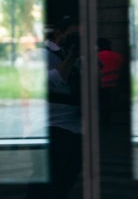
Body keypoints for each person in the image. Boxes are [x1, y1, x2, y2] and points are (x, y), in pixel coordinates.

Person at [27, 16, 83, 199]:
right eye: (73, 35)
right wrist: (72, 57)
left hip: (76, 127)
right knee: (46, 179)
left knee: (67, 177)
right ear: (59, 34)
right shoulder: (41, 54)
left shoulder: (78, 56)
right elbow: (47, 82)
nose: (77, 40)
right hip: (50, 126)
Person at [97, 37, 124, 125]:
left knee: (102, 104)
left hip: (100, 85)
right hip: (115, 85)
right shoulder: (118, 56)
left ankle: (102, 121)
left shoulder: (96, 56)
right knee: (109, 105)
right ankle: (107, 121)